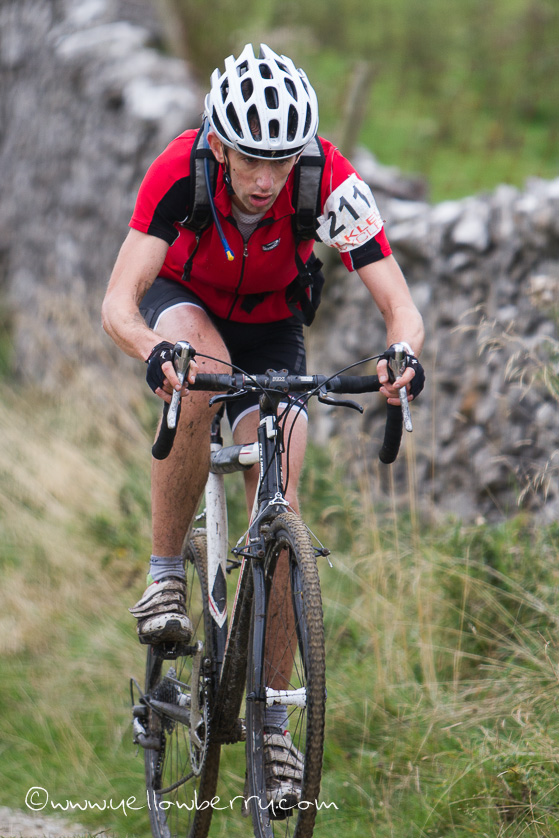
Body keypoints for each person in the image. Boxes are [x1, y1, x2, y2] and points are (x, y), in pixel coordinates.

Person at [102, 43, 424, 808]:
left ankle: (273, 727)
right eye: (249, 159)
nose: (263, 180)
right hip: (183, 302)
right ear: (218, 144)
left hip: (274, 327)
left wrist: (403, 354)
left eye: (279, 163)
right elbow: (118, 301)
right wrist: (151, 351)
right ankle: (164, 579)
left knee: (281, 502)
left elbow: (398, 304)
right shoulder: (180, 169)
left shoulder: (326, 179)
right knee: (200, 377)